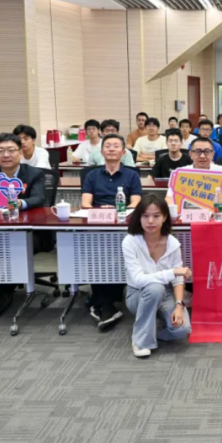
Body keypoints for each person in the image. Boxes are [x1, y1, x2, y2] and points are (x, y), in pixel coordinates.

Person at [0, 133, 47, 317]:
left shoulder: (34, 174)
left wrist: (19, 203)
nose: (6, 155)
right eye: (0, 151)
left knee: (8, 246)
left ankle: (1, 293)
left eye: (11, 150)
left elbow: (39, 198)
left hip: (29, 230)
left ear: (20, 152)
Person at [82, 134, 143, 329]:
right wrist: (101, 210)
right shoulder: (92, 175)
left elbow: (136, 202)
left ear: (123, 152)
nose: (111, 149)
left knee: (120, 256)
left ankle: (103, 303)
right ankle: (104, 302)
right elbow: (85, 203)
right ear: (101, 152)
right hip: (98, 224)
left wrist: (118, 210)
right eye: (107, 146)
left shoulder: (132, 175)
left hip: (124, 223)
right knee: (98, 256)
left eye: (116, 146)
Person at [123, 194, 192, 358]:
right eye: (145, 216)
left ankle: (153, 327)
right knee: (155, 288)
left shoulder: (172, 243)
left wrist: (179, 305)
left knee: (182, 330)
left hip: (166, 293)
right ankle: (141, 341)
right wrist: (172, 272)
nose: (150, 221)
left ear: (165, 217)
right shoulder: (130, 241)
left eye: (156, 216)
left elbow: (178, 280)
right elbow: (138, 280)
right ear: (139, 218)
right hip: (137, 293)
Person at [165, 137, 222, 214]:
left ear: (212, 154)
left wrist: (215, 208)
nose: (202, 156)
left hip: (215, 216)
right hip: (187, 215)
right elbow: (169, 198)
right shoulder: (181, 173)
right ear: (191, 154)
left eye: (207, 152)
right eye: (198, 152)